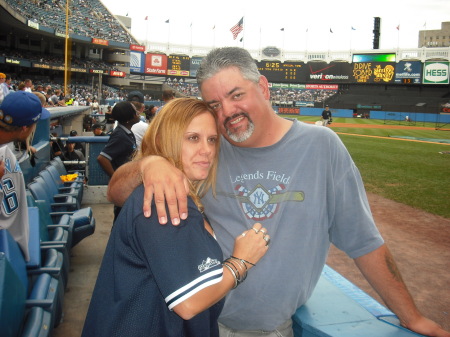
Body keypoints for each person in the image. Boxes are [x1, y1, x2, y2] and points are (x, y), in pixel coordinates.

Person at [107, 47, 449, 337]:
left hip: (273, 328)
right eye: (214, 104)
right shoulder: (209, 150)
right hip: (200, 321)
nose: (227, 113)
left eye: (236, 95)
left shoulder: (322, 147)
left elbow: (364, 242)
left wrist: (412, 316)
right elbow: (117, 192)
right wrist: (150, 164)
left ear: (264, 88)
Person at [82, 97, 269, 337]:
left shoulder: (178, 190)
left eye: (212, 140)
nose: (207, 150)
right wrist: (241, 261)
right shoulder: (166, 199)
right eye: (193, 138)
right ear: (164, 140)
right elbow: (189, 304)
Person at [0, 90, 51, 262]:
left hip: (13, 252)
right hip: (7, 255)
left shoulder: (7, 151)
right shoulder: (6, 153)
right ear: (24, 128)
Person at [97, 101, 140, 220]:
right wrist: (116, 177)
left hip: (128, 186)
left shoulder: (127, 133)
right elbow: (102, 158)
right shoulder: (120, 136)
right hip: (123, 188)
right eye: (135, 112)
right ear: (129, 117)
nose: (138, 113)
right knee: (121, 222)